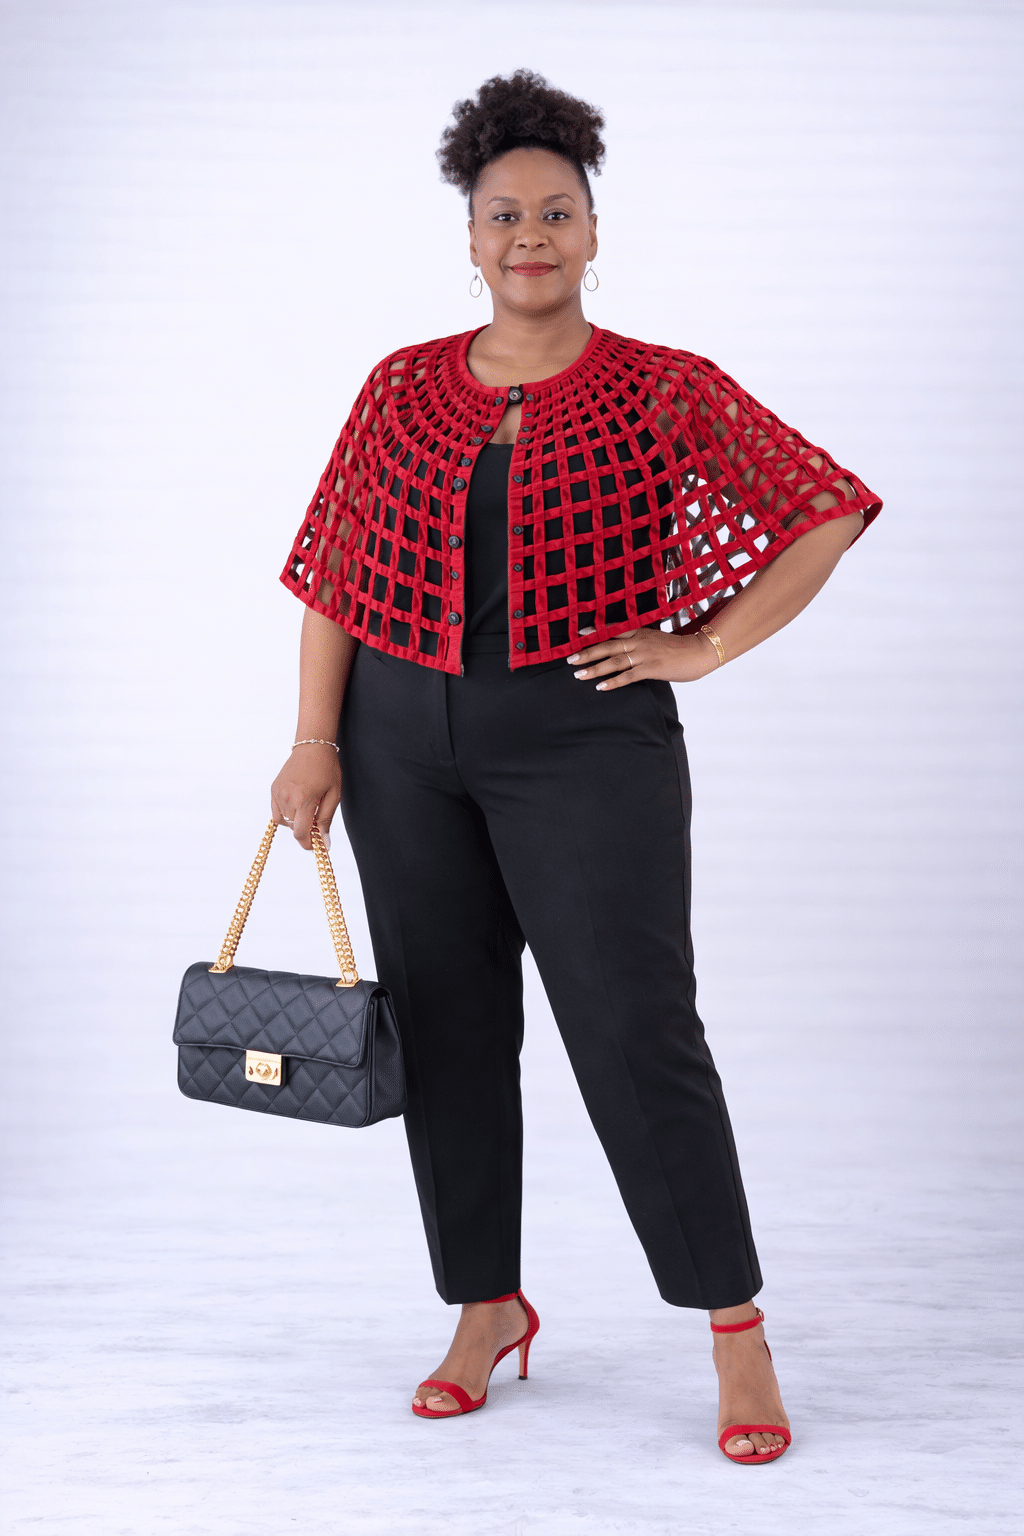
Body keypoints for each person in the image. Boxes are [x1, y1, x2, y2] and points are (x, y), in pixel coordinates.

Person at [270, 69, 880, 1464]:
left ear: (594, 233)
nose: (529, 236)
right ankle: (486, 1305)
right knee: (447, 1026)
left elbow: (823, 511)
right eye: (504, 215)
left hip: (584, 739)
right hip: (400, 744)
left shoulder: (662, 387)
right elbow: (338, 572)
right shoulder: (401, 386)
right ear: (470, 239)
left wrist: (702, 646)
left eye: (556, 212)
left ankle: (735, 1327)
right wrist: (314, 742)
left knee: (632, 1026)